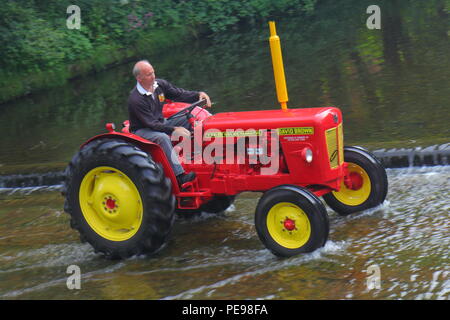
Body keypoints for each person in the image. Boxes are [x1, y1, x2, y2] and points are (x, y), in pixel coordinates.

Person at [128, 60, 211, 187]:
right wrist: (173, 129)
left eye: (153, 72)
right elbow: (151, 124)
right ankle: (180, 176)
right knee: (163, 137)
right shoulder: (136, 99)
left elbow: (179, 94)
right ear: (139, 78)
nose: (153, 76)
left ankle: (197, 157)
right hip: (143, 129)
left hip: (160, 122)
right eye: (149, 75)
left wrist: (198, 95)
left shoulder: (159, 85)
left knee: (191, 119)